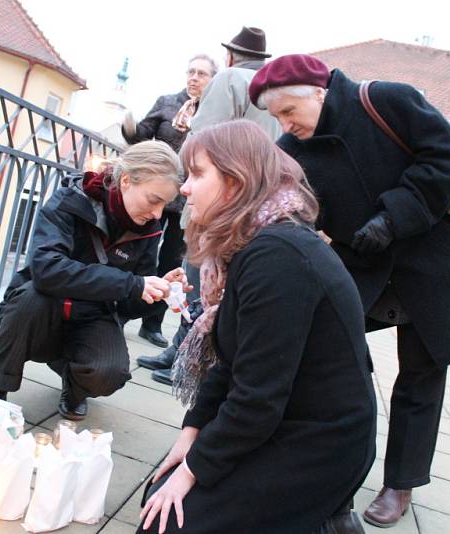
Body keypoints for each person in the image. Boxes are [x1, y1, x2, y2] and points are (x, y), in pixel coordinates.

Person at [249, 54, 450, 528]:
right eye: (277, 118)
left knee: (420, 379)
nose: (284, 124)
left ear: (317, 94)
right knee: (323, 357)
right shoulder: (293, 148)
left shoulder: (386, 100)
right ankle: (326, 464)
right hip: (363, 270)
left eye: (289, 112)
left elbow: (443, 156)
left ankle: (400, 483)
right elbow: (284, 202)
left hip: (431, 268)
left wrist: (393, 216)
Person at [138, 120, 376, 534]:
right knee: (156, 497)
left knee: (165, 524)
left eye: (197, 174)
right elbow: (231, 363)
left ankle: (324, 520)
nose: (185, 189)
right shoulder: (255, 245)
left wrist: (194, 470)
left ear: (235, 180)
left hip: (318, 442)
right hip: (282, 418)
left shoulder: (279, 257)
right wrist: (190, 435)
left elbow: (257, 398)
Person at [0, 141, 186, 420]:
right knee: (30, 299)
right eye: (154, 200)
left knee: (110, 373)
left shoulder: (149, 229)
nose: (158, 214)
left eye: (165, 205)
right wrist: (131, 283)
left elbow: (126, 307)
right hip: (42, 308)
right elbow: (47, 269)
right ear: (126, 181)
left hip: (92, 317)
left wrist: (157, 294)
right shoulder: (70, 200)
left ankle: (74, 388)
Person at [137, 26, 281, 385]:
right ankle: (179, 352)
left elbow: (202, 138)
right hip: (254, 200)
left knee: (197, 277)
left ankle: (184, 360)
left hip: (216, 195)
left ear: (231, 57)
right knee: (215, 283)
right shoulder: (270, 88)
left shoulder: (230, 79)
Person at [122, 54, 217, 348]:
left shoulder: (213, 112)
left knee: (171, 261)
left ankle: (152, 323)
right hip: (154, 193)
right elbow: (141, 136)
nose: (194, 77)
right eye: (191, 71)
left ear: (213, 79)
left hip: (186, 199)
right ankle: (120, 310)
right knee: (138, 252)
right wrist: (129, 127)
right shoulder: (167, 102)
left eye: (202, 73)